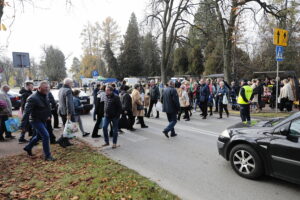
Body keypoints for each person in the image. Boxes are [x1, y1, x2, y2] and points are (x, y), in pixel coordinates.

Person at [21, 81, 56, 161]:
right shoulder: (32, 98)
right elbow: (26, 112)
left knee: (39, 136)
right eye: (45, 88)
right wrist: (23, 125)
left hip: (43, 119)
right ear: (39, 88)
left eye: (48, 87)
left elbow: (47, 107)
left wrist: (48, 116)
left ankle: (28, 147)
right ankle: (47, 156)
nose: (47, 89)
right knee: (46, 135)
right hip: (35, 120)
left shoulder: (46, 95)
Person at [57, 78, 75, 147]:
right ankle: (61, 140)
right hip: (66, 112)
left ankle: (66, 142)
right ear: (69, 83)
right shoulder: (68, 90)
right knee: (68, 128)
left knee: (66, 127)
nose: (72, 84)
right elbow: (69, 103)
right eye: (71, 83)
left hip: (61, 111)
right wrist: (69, 113)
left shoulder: (61, 89)